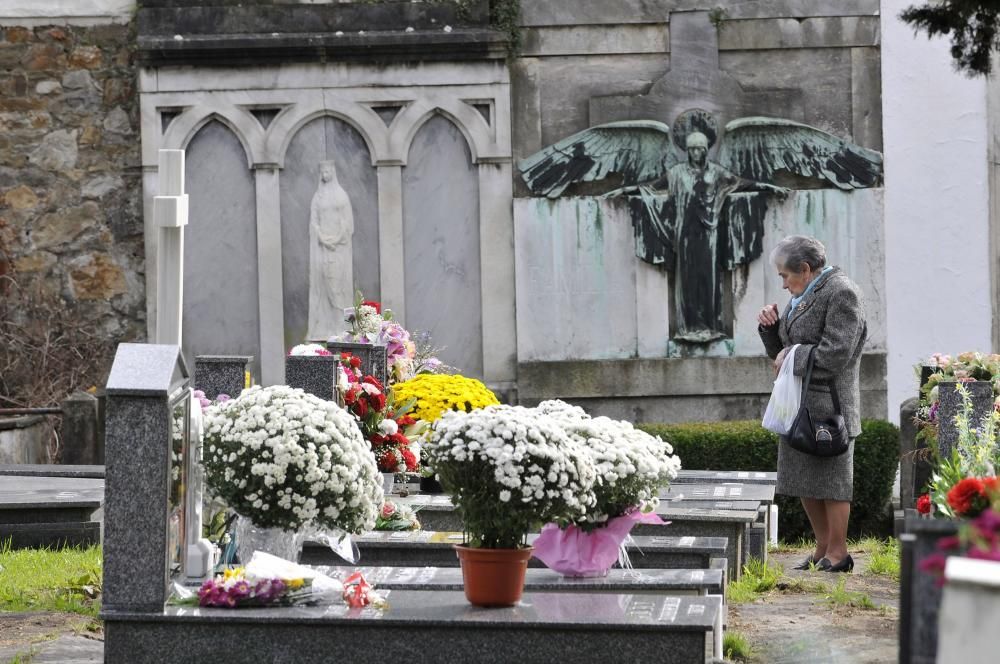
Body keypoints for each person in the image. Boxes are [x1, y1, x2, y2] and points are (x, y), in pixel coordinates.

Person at [757, 235, 867, 572]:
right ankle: (822, 548)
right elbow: (784, 352)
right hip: (799, 402)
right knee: (803, 479)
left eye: (785, 275)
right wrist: (771, 329)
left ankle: (839, 552)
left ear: (804, 269)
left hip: (830, 404)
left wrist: (793, 353)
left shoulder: (841, 292)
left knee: (833, 483)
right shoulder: (804, 294)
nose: (783, 283)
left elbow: (836, 353)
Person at [652, 131, 788, 342]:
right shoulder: (677, 173)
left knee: (709, 281)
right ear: (688, 151)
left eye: (700, 149)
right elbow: (651, 187)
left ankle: (711, 326)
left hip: (709, 236)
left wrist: (769, 187)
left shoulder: (716, 173)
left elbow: (743, 183)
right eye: (692, 149)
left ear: (705, 150)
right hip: (685, 237)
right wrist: (623, 192)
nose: (696, 152)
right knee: (687, 283)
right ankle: (687, 328)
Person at [308, 160, 355, 340]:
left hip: (338, 249)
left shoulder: (341, 196)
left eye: (328, 171)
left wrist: (335, 240)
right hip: (323, 248)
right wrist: (321, 237)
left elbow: (347, 223)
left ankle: (341, 327)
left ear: (333, 172)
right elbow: (314, 222)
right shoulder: (317, 197)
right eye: (323, 172)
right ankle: (325, 327)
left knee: (337, 286)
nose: (325, 174)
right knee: (324, 286)